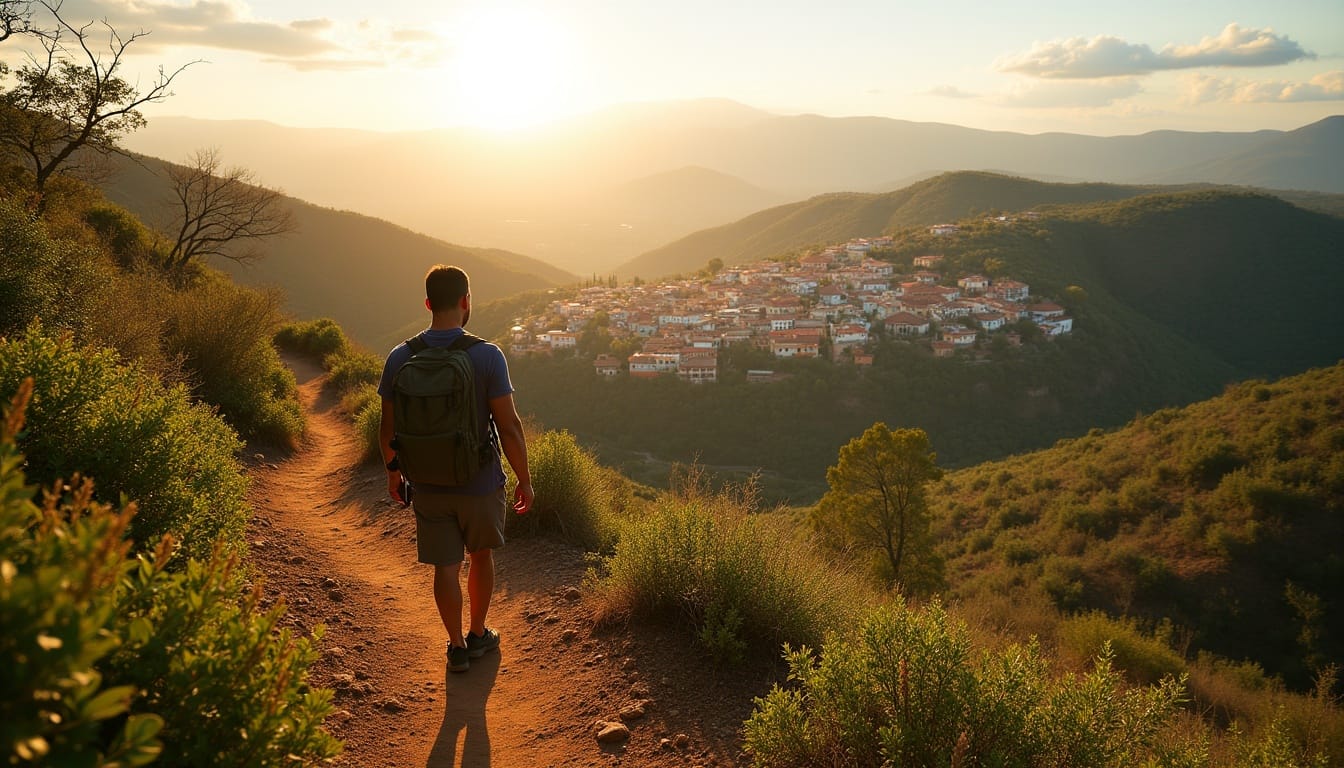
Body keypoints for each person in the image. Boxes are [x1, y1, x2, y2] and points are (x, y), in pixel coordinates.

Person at [378, 264, 533, 673]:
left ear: (428, 303)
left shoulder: (400, 357)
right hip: (479, 482)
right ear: (466, 302)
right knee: (479, 556)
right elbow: (510, 426)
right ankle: (479, 632)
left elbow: (386, 429)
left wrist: (395, 474)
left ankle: (456, 645)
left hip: (427, 484)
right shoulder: (486, 355)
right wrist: (525, 479)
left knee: (445, 567)